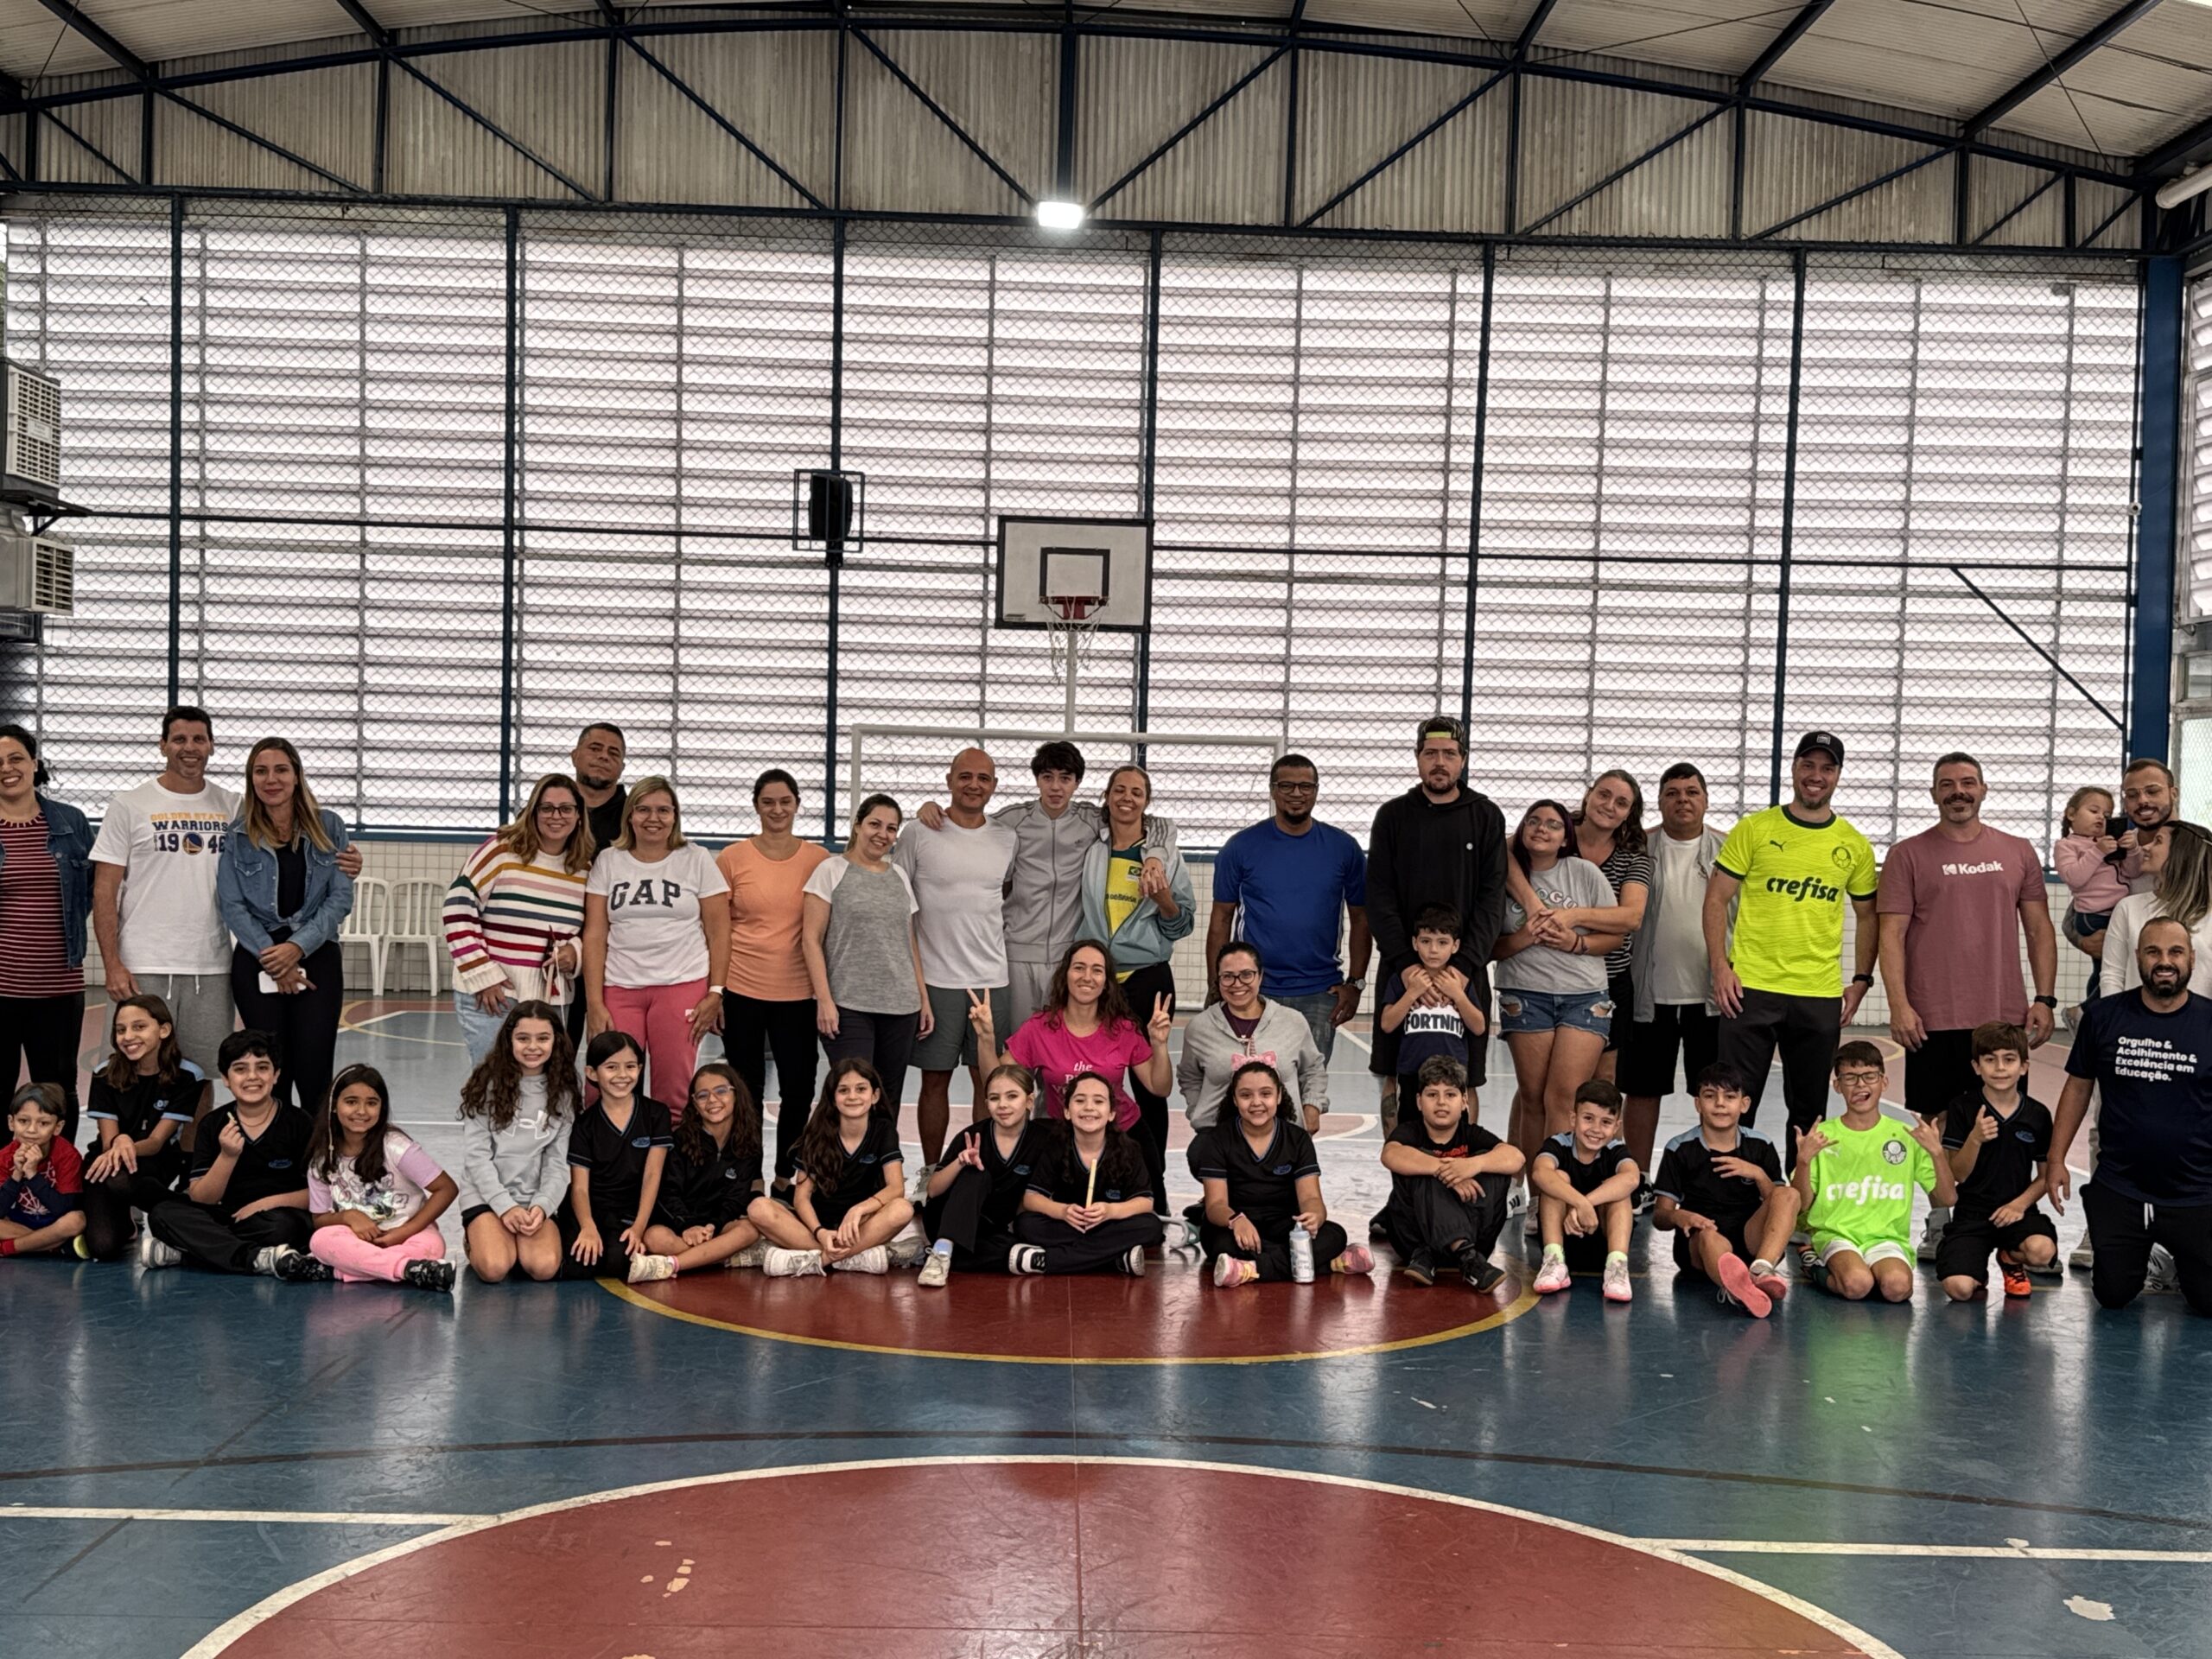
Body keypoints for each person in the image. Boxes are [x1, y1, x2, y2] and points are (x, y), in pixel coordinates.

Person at [1875, 752, 2056, 1259]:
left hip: (2000, 1018)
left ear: (1983, 789)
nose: (1958, 791)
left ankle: (2004, 1221)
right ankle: (1938, 1222)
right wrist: (1899, 1003)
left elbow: (2040, 929)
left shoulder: (2017, 851)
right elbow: (1891, 934)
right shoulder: (1907, 854)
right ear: (1933, 793)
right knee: (1935, 1130)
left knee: (2002, 1126)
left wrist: (2043, 997)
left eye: (1967, 782)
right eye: (1947, 784)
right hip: (1932, 1016)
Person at [918, 741, 1177, 1031]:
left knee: (1061, 1047)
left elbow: (1159, 824)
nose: (1056, 787)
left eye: (1065, 779)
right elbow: (967, 822)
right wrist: (931, 808)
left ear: (1077, 783)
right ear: (1037, 780)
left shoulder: (1091, 820)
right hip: (1017, 954)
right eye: (1047, 778)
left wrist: (1154, 856)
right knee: (1018, 1043)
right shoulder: (1012, 820)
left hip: (1066, 956)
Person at [1705, 732, 1879, 1162]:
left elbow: (1869, 916)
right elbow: (1715, 899)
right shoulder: (1756, 829)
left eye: (1827, 768)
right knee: (1734, 1102)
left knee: (1809, 1110)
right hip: (1752, 987)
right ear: (1795, 769)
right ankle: (1731, 1200)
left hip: (1817, 994)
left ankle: (1801, 1206)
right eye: (1808, 765)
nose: (1816, 776)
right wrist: (1720, 968)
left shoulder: (1854, 844)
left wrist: (1860, 980)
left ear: (1837, 775)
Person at [2048, 918, 2212, 1314]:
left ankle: (2174, 1258)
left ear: (2191, 958)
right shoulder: (2104, 1017)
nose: (2164, 961)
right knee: (2113, 1294)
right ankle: (2147, 1252)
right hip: (2122, 1186)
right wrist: (2055, 1159)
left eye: (2175, 952)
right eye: (2153, 952)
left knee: (2209, 1303)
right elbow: (2077, 1087)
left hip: (2197, 1189)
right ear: (2138, 957)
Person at [1365, 716, 1509, 1128]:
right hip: (1403, 971)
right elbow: (1380, 896)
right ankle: (1403, 1183)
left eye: (1449, 754)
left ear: (1462, 760)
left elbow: (1491, 898)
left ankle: (1458, 1174)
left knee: (1466, 1080)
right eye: (1431, 754)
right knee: (1396, 1079)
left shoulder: (1485, 816)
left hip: (1464, 976)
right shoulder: (1393, 817)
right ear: (1417, 759)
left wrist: (1462, 971)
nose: (1439, 763)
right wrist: (1407, 965)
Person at [92, 707, 243, 1089]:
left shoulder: (234, 806)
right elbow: (104, 891)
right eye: (179, 739)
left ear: (211, 746)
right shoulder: (130, 804)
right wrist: (112, 964)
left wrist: (341, 856)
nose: (189, 748)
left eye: (198, 739)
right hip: (143, 964)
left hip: (211, 965)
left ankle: (193, 1153)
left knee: (202, 1077)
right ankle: (137, 1149)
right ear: (162, 746)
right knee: (134, 1072)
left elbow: (285, 838)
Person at [216, 737, 355, 1116]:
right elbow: (231, 904)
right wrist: (273, 958)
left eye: (281, 770)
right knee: (270, 1067)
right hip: (257, 957)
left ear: (296, 775)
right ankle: (274, 1160)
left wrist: (297, 948)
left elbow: (340, 898)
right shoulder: (238, 834)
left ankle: (316, 1162)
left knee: (314, 1064)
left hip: (317, 953)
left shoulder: (330, 826)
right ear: (251, 779)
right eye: (261, 771)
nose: (271, 779)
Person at [894, 747, 1018, 1166]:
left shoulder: (1006, 837)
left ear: (994, 786)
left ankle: (984, 1170)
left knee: (991, 1082)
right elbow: (899, 898)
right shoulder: (919, 831)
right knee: (935, 1083)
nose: (974, 785)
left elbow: (1000, 892)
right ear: (949, 780)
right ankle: (932, 1172)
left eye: (983, 778)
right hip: (936, 980)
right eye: (965, 776)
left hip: (991, 980)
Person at [1081, 763, 1194, 1215]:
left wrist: (1162, 894)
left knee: (1149, 1090)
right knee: (1094, 1077)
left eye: (1138, 792)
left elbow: (1181, 922)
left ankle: (1153, 1186)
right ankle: (1098, 1177)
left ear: (1147, 803)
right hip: (1097, 978)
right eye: (1120, 790)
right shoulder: (1091, 846)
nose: (1127, 798)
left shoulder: (1164, 853)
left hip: (1148, 975)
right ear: (1107, 796)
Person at [1494, 801, 1623, 1199]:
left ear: (1567, 837)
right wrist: (1527, 934)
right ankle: (1538, 1196)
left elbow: (1615, 937)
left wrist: (1575, 942)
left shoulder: (1585, 874)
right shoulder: (1502, 877)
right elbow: (1491, 947)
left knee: (1563, 1095)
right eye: (1533, 821)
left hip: (1583, 996)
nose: (1542, 829)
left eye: (1553, 824)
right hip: (1525, 995)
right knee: (1532, 1097)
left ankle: (1559, 1193)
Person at [1205, 753, 1371, 1058]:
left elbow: (1361, 920)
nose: (1297, 794)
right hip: (1253, 988)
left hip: (1320, 992)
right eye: (1287, 786)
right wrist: (1217, 983)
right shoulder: (1240, 847)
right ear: (1272, 790)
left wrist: (1356, 985)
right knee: (1250, 1086)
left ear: (1317, 791)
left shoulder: (1344, 849)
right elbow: (1221, 919)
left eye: (1305, 787)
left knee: (1309, 1088)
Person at [582, 777, 730, 1103]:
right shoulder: (609, 860)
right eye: (644, 809)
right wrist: (594, 1002)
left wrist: (716, 992)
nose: (654, 818)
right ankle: (605, 1153)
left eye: (664, 810)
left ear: (675, 816)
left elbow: (719, 931)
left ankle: (667, 1154)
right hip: (620, 987)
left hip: (681, 985)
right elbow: (594, 935)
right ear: (630, 816)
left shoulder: (697, 858)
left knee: (672, 1092)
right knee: (604, 1087)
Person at [716, 767, 830, 1193]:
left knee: (799, 1088)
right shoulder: (732, 858)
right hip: (742, 988)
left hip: (799, 993)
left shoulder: (819, 860)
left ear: (797, 805)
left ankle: (785, 1177)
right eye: (768, 802)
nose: (777, 809)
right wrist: (716, 992)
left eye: (785, 801)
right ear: (756, 806)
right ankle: (747, 1176)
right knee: (744, 1089)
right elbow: (718, 929)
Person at [141, 1029, 330, 1280]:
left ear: (276, 1075)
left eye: (262, 1068)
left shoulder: (299, 1122)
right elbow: (202, 1198)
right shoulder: (212, 1124)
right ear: (226, 1078)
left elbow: (319, 1194)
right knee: (163, 1214)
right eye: (240, 1069)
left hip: (274, 1217)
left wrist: (265, 1204)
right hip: (226, 1216)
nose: (252, 1077)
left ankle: (190, 1255)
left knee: (285, 1227)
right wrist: (227, 1157)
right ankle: (255, 1258)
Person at [1622, 763, 1726, 1198]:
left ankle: (1714, 1179)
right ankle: (1637, 1182)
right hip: (1650, 993)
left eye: (1691, 792)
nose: (1682, 800)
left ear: (1705, 800)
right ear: (1660, 801)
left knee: (1715, 1094)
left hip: (1713, 998)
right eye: (1672, 793)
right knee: (1643, 1092)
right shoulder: (1637, 847)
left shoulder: (1730, 849)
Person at [443, 773, 593, 1064]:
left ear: (578, 816)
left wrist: (574, 953)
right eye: (546, 808)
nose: (556, 816)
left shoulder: (584, 867)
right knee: (494, 1088)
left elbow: (589, 930)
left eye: (566, 808)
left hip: (551, 999)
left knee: (541, 1089)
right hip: (495, 994)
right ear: (533, 812)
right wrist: (483, 976)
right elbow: (457, 907)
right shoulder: (501, 849)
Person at [1791, 1041, 1954, 1304]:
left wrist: (1937, 1153)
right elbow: (1801, 1205)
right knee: (1857, 1284)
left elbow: (1947, 1199)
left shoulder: (1905, 1135)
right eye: (1851, 1078)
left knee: (1898, 1289)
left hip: (1886, 1238)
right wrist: (1803, 1162)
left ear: (1884, 1083)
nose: (1861, 1085)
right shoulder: (1823, 1136)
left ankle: (1868, 1271)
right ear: (1837, 1085)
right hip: (1837, 1233)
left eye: (1869, 1077)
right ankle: (1814, 1265)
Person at [1189, 1060, 1373, 1286]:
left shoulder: (1297, 1139)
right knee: (1221, 1245)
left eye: (1265, 1094)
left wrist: (1314, 1217)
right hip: (1239, 1225)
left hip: (1285, 1224)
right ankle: (1329, 1264)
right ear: (1235, 1100)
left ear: (1278, 1096)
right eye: (1246, 1095)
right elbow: (1215, 1204)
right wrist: (1236, 1220)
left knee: (1334, 1235)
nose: (1257, 1103)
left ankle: (1251, 1270)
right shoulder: (1217, 1139)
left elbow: (1311, 1198)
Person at [802, 792, 930, 1111]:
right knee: (850, 1095)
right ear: (858, 825)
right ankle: (833, 1162)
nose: (882, 834)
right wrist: (825, 1000)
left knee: (887, 1100)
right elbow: (810, 939)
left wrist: (923, 998)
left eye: (890, 828)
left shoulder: (899, 875)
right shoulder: (831, 870)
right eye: (874, 824)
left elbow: (908, 941)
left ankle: (884, 1161)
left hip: (901, 1007)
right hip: (848, 1005)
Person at [0, 725, 94, 1143]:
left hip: (58, 986)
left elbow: (89, 892)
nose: (7, 769)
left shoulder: (69, 822)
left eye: (16, 758)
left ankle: (61, 1177)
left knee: (58, 1090)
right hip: (2, 989)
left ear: (35, 764)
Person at [971, 940, 1173, 1132]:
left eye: (1097, 970)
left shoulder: (1123, 1029)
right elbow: (994, 1081)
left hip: (1120, 1133)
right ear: (1065, 976)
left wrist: (1160, 1044)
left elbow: (1160, 1088)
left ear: (1106, 983)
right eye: (1079, 967)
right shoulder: (1040, 1028)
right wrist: (986, 1039)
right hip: (1061, 1133)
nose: (1087, 977)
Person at [1528, 772, 1649, 1087]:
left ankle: (1603, 1139)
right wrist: (1532, 906)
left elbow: (1630, 917)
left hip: (1609, 980)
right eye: (1603, 795)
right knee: (1536, 1086)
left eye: (1621, 803)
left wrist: (1573, 919)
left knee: (1603, 1079)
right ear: (1588, 795)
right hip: (1548, 978)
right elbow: (1505, 852)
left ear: (1629, 813)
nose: (1609, 806)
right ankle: (1525, 1141)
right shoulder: (1554, 832)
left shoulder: (1633, 857)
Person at [1651, 1063, 1798, 1319]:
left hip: (1749, 1240)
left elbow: (1778, 1206)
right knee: (1709, 1236)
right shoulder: (1679, 1149)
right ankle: (1736, 1289)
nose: (1720, 1104)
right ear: (1698, 1104)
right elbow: (1660, 1217)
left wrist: (1757, 1174)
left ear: (1744, 1104)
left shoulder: (1760, 1145)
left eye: (1729, 1097)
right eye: (1710, 1096)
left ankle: (1761, 1270)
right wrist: (1680, 1216)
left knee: (1789, 1194)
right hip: (1703, 1243)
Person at [304, 1062, 459, 1291]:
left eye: (372, 1103)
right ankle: (408, 1270)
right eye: (351, 1102)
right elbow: (319, 1219)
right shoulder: (321, 1161)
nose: (361, 1111)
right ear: (334, 1106)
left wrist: (403, 1232)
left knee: (431, 1246)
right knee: (320, 1241)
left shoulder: (396, 1147)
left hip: (408, 1233)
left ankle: (337, 1271)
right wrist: (349, 1216)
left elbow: (446, 1188)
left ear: (382, 1108)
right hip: (355, 1239)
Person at [756, 1057, 914, 1277]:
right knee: (759, 1208)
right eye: (843, 1090)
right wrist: (820, 1232)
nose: (852, 1097)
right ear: (832, 1097)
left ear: (875, 1095)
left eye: (861, 1089)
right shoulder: (817, 1132)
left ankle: (816, 1260)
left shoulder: (883, 1129)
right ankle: (850, 1257)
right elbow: (801, 1198)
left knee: (902, 1209)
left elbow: (896, 1188)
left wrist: (858, 1210)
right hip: (815, 1227)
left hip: (860, 1226)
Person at [1376, 1054, 1522, 1292]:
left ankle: (1445, 1254)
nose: (1441, 1102)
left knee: (1495, 1166)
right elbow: (1390, 1155)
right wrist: (1444, 1170)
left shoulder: (1472, 1134)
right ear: (1419, 1101)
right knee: (1419, 1165)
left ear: (1464, 1101)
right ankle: (1467, 1259)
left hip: (1474, 1239)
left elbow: (1517, 1159)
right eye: (1432, 1095)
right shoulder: (1409, 1133)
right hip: (1414, 1240)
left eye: (1450, 1095)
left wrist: (1471, 1166)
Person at [458, 1000, 578, 1285]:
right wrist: (504, 1206)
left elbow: (557, 1162)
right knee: (495, 1268)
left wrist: (542, 1206)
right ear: (508, 1040)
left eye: (543, 1038)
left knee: (544, 1267)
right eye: (523, 1038)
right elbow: (477, 1158)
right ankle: (477, 1237)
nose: (532, 1047)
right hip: (487, 1197)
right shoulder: (486, 1083)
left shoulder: (563, 1091)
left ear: (556, 1041)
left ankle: (512, 1238)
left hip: (533, 1198)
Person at [1936, 1021, 2058, 1302]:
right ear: (1977, 1067)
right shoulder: (1962, 1108)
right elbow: (1958, 1174)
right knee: (1959, 1289)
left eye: (2009, 1060)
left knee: (2042, 1251)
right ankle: (1973, 1269)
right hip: (1972, 1214)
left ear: (2024, 1066)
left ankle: (2010, 1258)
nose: (2000, 1068)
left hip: (2017, 1211)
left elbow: (2044, 1176)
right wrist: (1975, 1139)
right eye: (1990, 1060)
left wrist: (2019, 1204)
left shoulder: (2037, 1114)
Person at [79, 995, 207, 1262]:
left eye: (139, 1027)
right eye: (121, 1029)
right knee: (102, 1247)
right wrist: (120, 1141)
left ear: (164, 1030)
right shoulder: (105, 1072)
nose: (128, 1036)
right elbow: (107, 1143)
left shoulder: (187, 1076)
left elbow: (158, 1141)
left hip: (154, 1160)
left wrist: (126, 1142)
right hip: (106, 1160)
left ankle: (188, 1212)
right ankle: (125, 1221)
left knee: (120, 1177)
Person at [627, 1061, 779, 1281]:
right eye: (703, 1095)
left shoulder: (748, 1142)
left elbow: (737, 1198)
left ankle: (672, 1264)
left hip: (717, 1226)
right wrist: (688, 1225)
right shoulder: (680, 1140)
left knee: (748, 1230)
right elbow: (667, 1193)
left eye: (721, 1091)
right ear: (695, 1104)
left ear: (736, 1094)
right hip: (681, 1226)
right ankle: (725, 1257)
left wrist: (712, 1226)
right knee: (655, 1238)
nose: (713, 1101)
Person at [1012, 1071, 1166, 1274]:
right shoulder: (1056, 1146)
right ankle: (1115, 1260)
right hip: (1068, 1224)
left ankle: (1047, 1261)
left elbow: (1145, 1201)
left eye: (1099, 1101)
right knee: (1025, 1224)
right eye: (1080, 1101)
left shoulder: (1129, 1149)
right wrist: (1063, 1211)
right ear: (1066, 1111)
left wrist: (1110, 1211)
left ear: (1111, 1113)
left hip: (1109, 1223)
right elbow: (1032, 1198)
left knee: (1151, 1226)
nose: (1089, 1108)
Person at [1177, 940, 1329, 1132]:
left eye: (1247, 975)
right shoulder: (1199, 1027)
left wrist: (1312, 1107)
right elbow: (1189, 1076)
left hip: (1283, 1135)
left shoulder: (1292, 1021)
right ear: (1218, 979)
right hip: (1217, 1138)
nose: (1237, 984)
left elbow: (1313, 1069)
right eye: (1228, 977)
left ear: (1260, 976)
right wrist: (1198, 1112)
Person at [558, 1029, 673, 1280]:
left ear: (640, 1069)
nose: (622, 1075)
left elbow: (652, 1175)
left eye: (630, 1066)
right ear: (591, 1073)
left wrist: (639, 1227)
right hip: (594, 1208)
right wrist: (588, 1226)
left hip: (632, 1210)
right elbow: (579, 1187)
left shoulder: (656, 1114)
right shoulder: (584, 1124)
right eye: (611, 1067)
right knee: (579, 1264)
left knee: (617, 1263)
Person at [921, 1062, 1047, 1285]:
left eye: (1012, 1096)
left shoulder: (1041, 1140)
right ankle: (941, 1251)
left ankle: (926, 1254)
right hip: (946, 1219)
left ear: (1029, 1101)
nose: (1003, 1105)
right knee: (976, 1173)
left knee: (1017, 1250)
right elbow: (932, 1190)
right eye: (995, 1098)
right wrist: (960, 1164)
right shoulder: (972, 1136)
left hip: (990, 1228)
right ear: (986, 1103)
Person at [1529, 1079, 1639, 1301]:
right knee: (1557, 1178)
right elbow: (1540, 1173)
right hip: (1563, 1240)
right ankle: (1553, 1262)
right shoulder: (1558, 1144)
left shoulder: (1615, 1150)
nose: (1596, 1129)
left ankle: (1617, 1267)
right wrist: (1579, 1203)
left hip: (1604, 1244)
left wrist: (1585, 1203)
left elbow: (1632, 1177)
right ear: (1573, 1118)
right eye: (1588, 1118)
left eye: (1606, 1122)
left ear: (1616, 1127)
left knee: (1618, 1190)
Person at [1378, 906, 1487, 1109]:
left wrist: (1458, 995)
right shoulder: (1403, 981)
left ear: (1455, 946)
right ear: (1415, 943)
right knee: (1412, 1130)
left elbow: (1479, 1027)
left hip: (1453, 1074)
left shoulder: (1460, 982)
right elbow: (1387, 1024)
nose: (1433, 950)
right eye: (1426, 941)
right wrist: (1412, 993)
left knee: (1452, 1132)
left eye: (1442, 942)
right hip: (1413, 1072)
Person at [565, 722, 630, 1046]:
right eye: (595, 748)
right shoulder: (548, 810)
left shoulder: (636, 818)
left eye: (613, 753)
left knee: (617, 1056)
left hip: (620, 957)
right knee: (553, 1055)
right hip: (558, 955)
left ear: (621, 766)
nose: (603, 757)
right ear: (575, 755)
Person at [2099, 822, 2212, 995]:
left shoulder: (2209, 914)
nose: (2146, 847)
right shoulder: (2128, 908)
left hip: (2199, 1020)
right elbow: (2112, 976)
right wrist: (2115, 1019)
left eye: (2157, 841)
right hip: (2135, 1019)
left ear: (2180, 853)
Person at [2052, 785, 2126, 1010]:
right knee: (2114, 968)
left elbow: (2129, 874)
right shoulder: (2067, 845)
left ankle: (2090, 1013)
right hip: (2093, 916)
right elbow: (2075, 878)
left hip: (2115, 912)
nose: (2101, 818)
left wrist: (2130, 852)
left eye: (2106, 815)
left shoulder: (2105, 843)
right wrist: (2098, 852)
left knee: (2105, 968)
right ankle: (2087, 1011)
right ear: (2071, 814)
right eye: (2093, 811)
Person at [0, 1084, 85, 1257]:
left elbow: (64, 1210)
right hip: (21, 1224)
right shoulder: (5, 1156)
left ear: (58, 1127)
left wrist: (32, 1175)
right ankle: (53, 1246)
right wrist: (16, 1174)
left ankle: (9, 1248)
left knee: (76, 1220)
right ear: (11, 1122)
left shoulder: (67, 1155)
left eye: (43, 1123)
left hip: (56, 1222)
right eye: (23, 1121)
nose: (31, 1130)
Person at [2114, 757, 2177, 896]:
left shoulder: (2201, 848)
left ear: (2174, 794)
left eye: (2152, 791)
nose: (2142, 801)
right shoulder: (2114, 849)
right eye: (2132, 795)